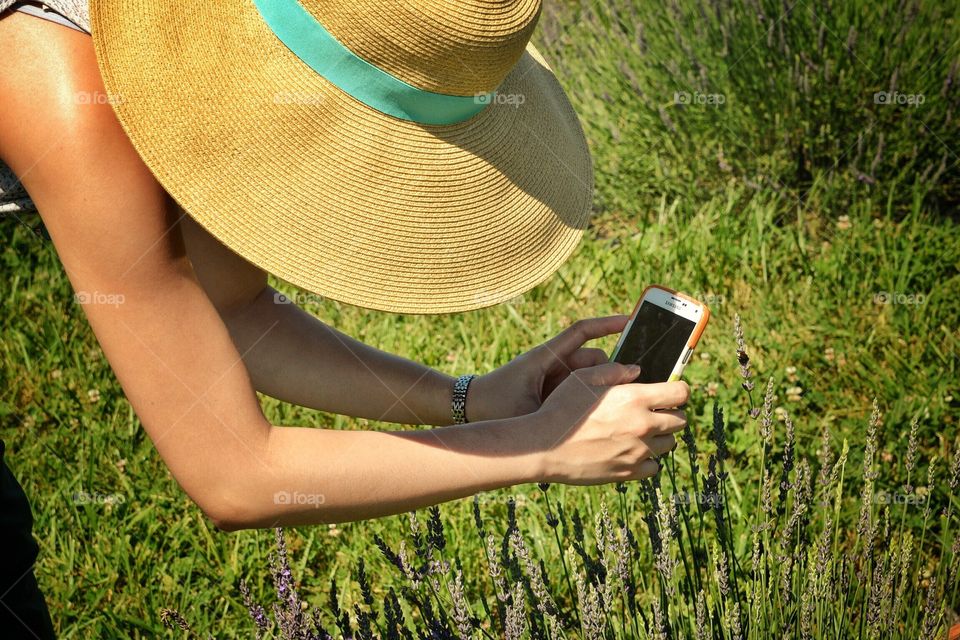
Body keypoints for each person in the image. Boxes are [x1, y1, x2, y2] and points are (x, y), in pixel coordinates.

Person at [0, 1, 690, 636]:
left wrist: (469, 399)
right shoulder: (65, 94)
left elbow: (234, 312)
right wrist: (538, 445)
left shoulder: (185, 43)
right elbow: (236, 474)